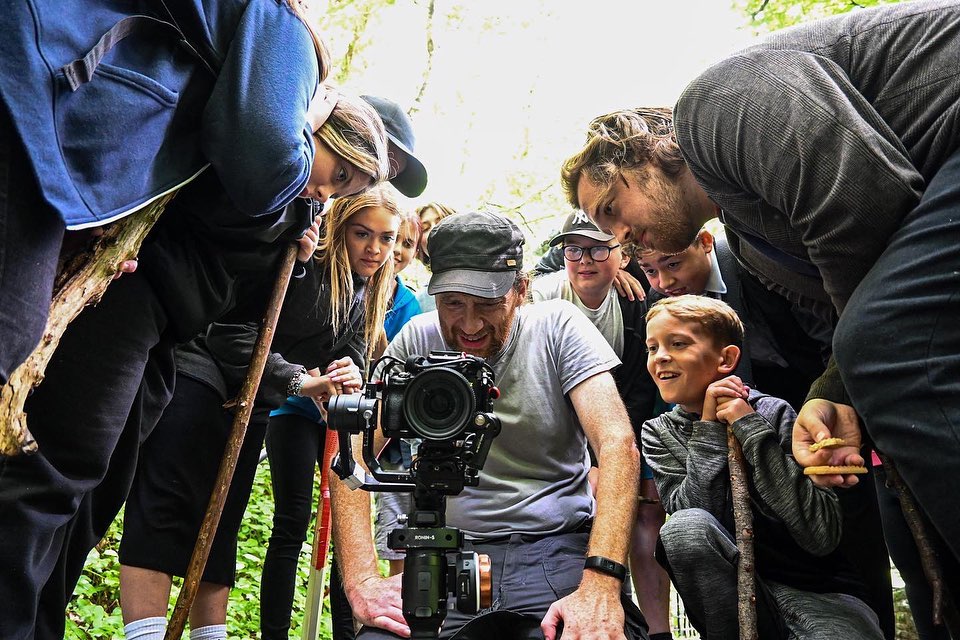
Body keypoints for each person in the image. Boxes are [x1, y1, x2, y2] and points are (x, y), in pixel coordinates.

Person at [0, 20, 392, 636]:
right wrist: (287, 220)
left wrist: (292, 242)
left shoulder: (293, 211)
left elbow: (252, 307)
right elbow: (219, 200)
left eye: (347, 189)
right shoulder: (256, 146)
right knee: (58, 473)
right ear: (315, 123)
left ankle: (38, 621)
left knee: (97, 489)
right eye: (338, 172)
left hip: (166, 330)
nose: (328, 190)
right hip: (127, 299)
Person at [562, 1, 960, 576]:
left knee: (887, 349)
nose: (620, 237)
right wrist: (833, 397)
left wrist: (851, 373)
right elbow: (844, 326)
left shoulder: (717, 105)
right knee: (902, 488)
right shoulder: (755, 243)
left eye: (612, 208)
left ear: (646, 151)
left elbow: (868, 205)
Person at [0, 0, 357, 384]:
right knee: (12, 322)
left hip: (40, 89)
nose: (324, 197)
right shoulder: (287, 24)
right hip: (32, 93)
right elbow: (267, 170)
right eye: (339, 175)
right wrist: (303, 122)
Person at [331, 211, 649, 640]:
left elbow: (617, 445)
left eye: (487, 304)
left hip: (555, 550)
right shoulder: (417, 338)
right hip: (443, 554)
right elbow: (351, 457)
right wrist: (363, 580)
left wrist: (602, 579)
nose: (469, 324)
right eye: (453, 303)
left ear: (520, 291)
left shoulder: (559, 327)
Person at [118, 186, 401, 640]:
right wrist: (304, 383)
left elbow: (346, 362)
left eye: (387, 238)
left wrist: (346, 377)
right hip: (198, 371)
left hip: (254, 398)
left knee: (223, 518)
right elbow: (231, 334)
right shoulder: (301, 264)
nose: (375, 248)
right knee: (165, 505)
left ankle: (210, 634)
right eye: (362, 233)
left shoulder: (363, 294)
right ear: (338, 228)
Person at [642, 295, 883, 640]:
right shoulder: (659, 432)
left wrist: (751, 428)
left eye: (678, 344)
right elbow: (691, 529)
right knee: (683, 526)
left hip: (822, 595)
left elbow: (820, 532)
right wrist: (709, 429)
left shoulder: (774, 412)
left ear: (726, 359)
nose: (661, 356)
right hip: (732, 605)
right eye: (652, 348)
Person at [530, 212, 669, 640]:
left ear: (622, 256)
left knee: (647, 514)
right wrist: (586, 462)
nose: (584, 260)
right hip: (561, 436)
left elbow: (643, 387)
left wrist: (626, 457)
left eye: (597, 249)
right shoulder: (543, 297)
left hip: (626, 426)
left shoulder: (639, 300)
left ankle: (658, 630)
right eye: (573, 249)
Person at [639, 227, 830, 413]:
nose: (664, 283)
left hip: (814, 374)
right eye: (650, 272)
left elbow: (824, 327)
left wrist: (830, 391)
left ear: (706, 242)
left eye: (673, 264)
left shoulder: (754, 264)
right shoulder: (662, 300)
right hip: (750, 396)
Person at [412, 202, 457, 313]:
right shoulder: (418, 303)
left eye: (441, 222)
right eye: (425, 228)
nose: (434, 230)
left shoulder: (495, 281)